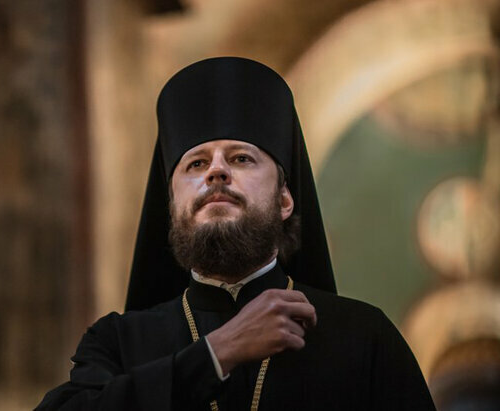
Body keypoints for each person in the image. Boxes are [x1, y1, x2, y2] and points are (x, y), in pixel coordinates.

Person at [36, 57, 435, 410]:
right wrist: (216, 354)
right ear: (172, 206)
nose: (216, 171)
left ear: (284, 200)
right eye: (195, 164)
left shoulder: (364, 340)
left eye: (241, 158)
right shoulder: (119, 343)